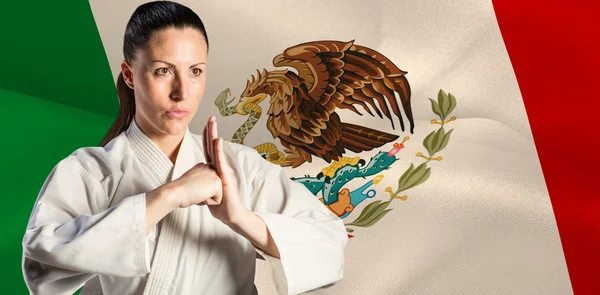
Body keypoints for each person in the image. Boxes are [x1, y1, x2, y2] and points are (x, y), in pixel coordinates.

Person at [20, 1, 348, 294]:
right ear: (130, 74)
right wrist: (168, 195)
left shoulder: (241, 168)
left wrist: (240, 218)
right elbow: (40, 267)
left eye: (195, 72)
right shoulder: (90, 171)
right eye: (163, 71)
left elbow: (329, 244)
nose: (181, 92)